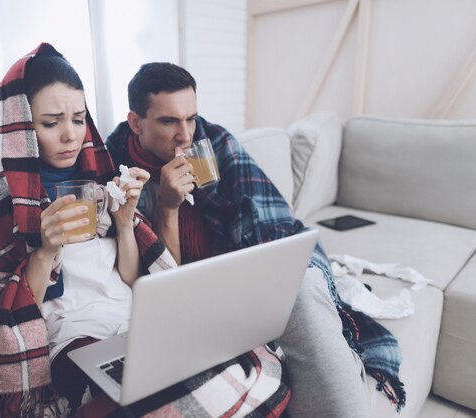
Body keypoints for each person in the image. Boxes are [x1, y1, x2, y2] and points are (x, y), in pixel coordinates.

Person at [0, 44, 290, 418]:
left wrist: (126, 223)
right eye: (51, 123)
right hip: (73, 336)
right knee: (167, 395)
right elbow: (6, 318)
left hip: (135, 321)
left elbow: (133, 277)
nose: (71, 136)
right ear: (19, 128)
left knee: (243, 362)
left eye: (79, 119)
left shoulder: (101, 178)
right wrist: (46, 250)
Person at [106, 62, 407, 418]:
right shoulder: (118, 172)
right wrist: (169, 207)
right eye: (169, 121)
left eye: (191, 117)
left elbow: (268, 224)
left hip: (241, 271)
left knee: (301, 285)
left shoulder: (214, 143)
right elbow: (161, 274)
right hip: (191, 298)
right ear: (136, 122)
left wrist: (272, 271)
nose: (185, 134)